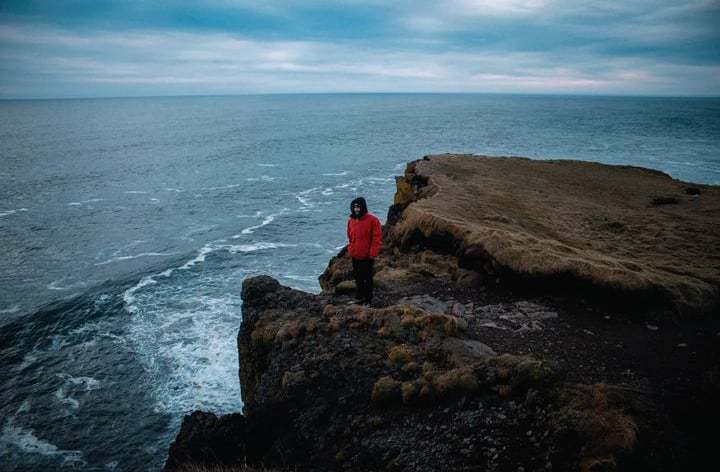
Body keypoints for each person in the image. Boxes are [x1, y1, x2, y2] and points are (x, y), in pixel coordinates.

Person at [347, 197, 382, 305]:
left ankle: (368, 300)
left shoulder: (373, 220)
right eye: (354, 207)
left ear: (363, 207)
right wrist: (351, 249)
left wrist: (372, 253)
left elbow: (377, 238)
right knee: (358, 277)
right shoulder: (351, 221)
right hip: (355, 254)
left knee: (367, 278)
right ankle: (359, 297)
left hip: (367, 256)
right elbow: (350, 236)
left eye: (358, 207)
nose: (356, 209)